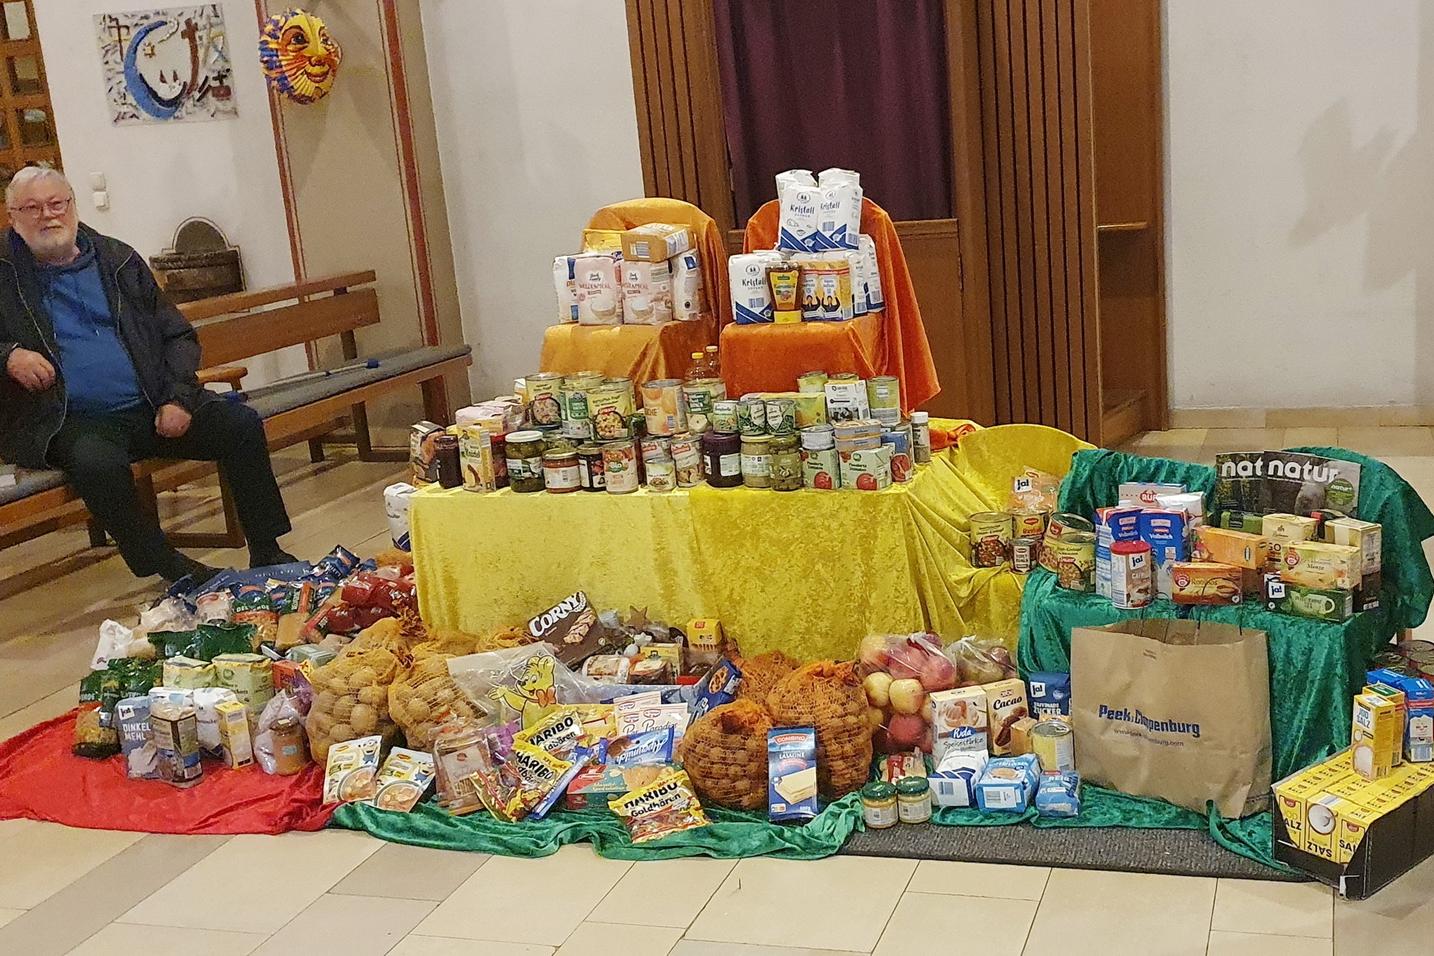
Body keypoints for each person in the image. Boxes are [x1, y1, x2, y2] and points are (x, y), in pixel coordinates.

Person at [0, 167, 296, 584]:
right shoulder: (4, 270)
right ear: (13, 216)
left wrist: (177, 397)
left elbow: (176, 334)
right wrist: (8, 355)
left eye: (56, 204)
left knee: (240, 424)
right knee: (96, 464)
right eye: (31, 208)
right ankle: (169, 567)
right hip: (66, 420)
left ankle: (267, 549)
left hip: (149, 402)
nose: (47, 216)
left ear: (72, 205)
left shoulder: (117, 259)